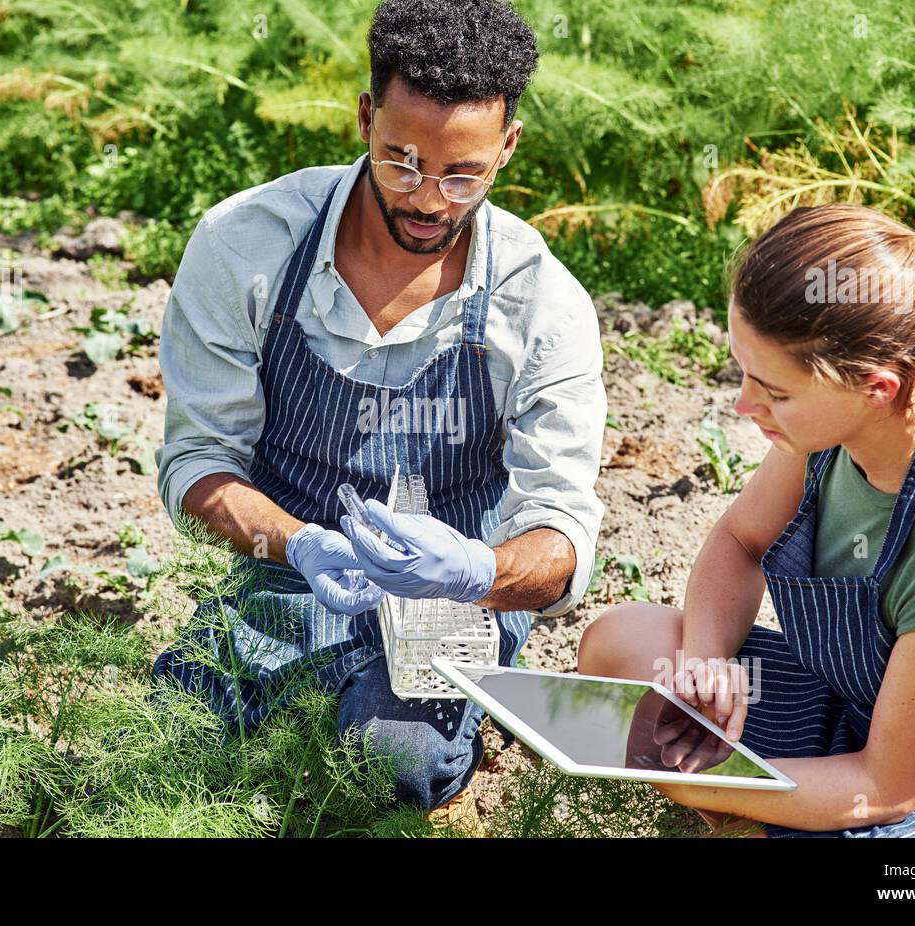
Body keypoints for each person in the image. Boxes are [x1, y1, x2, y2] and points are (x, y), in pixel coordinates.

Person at [152, 0, 606, 815]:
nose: (429, 199)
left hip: (457, 609)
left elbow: (562, 536)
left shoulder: (541, 305)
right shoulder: (246, 246)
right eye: (402, 161)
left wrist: (475, 570)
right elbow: (198, 464)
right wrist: (300, 545)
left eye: (463, 175)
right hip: (286, 579)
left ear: (509, 146)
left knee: (386, 762)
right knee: (169, 739)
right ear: (365, 117)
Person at [579, 203, 915, 837]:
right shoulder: (826, 440)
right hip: (855, 712)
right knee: (623, 645)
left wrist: (706, 782)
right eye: (744, 373)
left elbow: (882, 790)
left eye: (775, 392)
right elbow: (737, 541)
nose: (744, 404)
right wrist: (706, 663)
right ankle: (763, 815)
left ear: (878, 387)